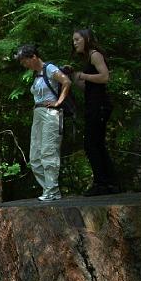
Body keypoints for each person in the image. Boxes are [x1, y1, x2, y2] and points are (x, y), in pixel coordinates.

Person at [14, 44, 72, 201]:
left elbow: (66, 82)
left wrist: (58, 102)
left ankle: (52, 191)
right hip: (38, 114)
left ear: (33, 57)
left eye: (25, 61)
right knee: (35, 157)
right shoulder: (37, 74)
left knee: (48, 152)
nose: (24, 65)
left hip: (51, 114)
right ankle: (48, 189)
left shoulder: (49, 69)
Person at [71, 29, 119, 196]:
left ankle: (101, 183)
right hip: (94, 104)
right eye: (73, 40)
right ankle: (110, 183)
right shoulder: (88, 58)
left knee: (91, 144)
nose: (75, 42)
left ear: (87, 38)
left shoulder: (95, 54)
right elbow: (88, 86)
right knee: (97, 144)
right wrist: (75, 77)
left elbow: (105, 77)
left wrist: (83, 75)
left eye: (77, 39)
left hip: (99, 105)